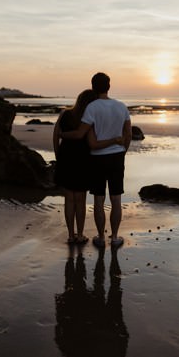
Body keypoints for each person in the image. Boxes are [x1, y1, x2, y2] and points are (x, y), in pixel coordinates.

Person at [68, 72, 132, 247]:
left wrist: (62, 134)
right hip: (117, 156)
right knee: (116, 199)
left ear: (93, 86)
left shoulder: (92, 108)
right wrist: (122, 151)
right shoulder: (121, 107)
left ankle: (101, 238)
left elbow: (82, 132)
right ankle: (115, 237)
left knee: (99, 199)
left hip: (97, 158)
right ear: (109, 86)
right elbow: (128, 134)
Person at [53, 89, 98, 244]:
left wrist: (58, 156)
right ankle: (80, 235)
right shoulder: (89, 118)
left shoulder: (65, 113)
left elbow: (55, 135)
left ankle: (71, 236)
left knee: (69, 199)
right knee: (80, 200)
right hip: (83, 159)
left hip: (66, 157)